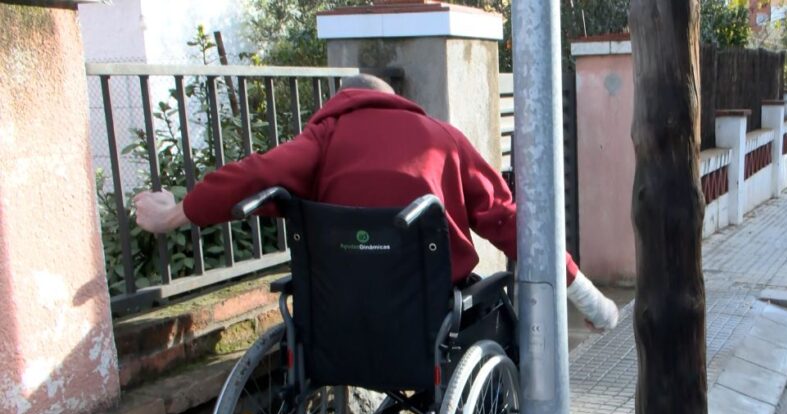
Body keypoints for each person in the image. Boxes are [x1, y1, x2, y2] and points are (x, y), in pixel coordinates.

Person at [134, 74, 619, 330]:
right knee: (496, 314)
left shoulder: (323, 139)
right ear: (394, 101)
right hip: (429, 312)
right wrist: (589, 299)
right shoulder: (443, 139)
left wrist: (174, 213)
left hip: (335, 311)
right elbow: (509, 220)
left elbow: (256, 175)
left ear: (342, 100)